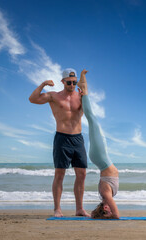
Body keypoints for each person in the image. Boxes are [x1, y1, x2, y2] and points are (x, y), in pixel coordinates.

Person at [29, 68, 90, 217]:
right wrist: (43, 84)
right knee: (59, 174)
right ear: (63, 82)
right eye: (69, 82)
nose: (72, 84)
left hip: (78, 138)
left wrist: (82, 77)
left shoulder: (81, 97)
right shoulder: (54, 96)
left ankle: (80, 209)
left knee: (81, 174)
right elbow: (33, 99)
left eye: (74, 82)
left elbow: (85, 90)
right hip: (62, 138)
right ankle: (57, 209)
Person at [78, 69, 120, 219]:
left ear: (103, 207)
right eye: (108, 210)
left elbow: (117, 215)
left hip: (100, 158)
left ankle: (84, 90)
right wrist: (110, 216)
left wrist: (112, 216)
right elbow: (114, 213)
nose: (108, 207)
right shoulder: (106, 196)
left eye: (105, 209)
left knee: (92, 119)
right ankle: (83, 93)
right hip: (102, 158)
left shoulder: (104, 194)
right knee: (92, 121)